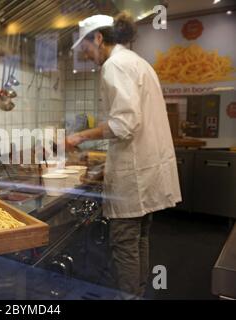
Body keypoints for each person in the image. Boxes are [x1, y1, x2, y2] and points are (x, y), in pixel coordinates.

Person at [67, 12, 181, 298]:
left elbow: (124, 124)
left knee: (125, 244)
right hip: (147, 170)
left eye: (87, 47)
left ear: (99, 38)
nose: (87, 54)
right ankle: (138, 293)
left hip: (135, 178)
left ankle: (129, 296)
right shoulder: (137, 62)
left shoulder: (115, 65)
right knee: (140, 239)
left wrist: (79, 136)